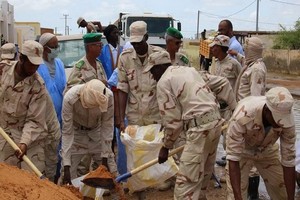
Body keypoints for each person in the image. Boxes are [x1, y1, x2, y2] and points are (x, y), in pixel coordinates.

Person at [144, 50, 226, 200]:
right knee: (201, 181)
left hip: (200, 130)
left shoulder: (163, 81)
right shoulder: (189, 70)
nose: (152, 76)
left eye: (152, 71)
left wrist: (166, 147)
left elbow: (173, 123)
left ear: (158, 67)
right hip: (215, 124)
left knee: (185, 187)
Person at [117, 20, 164, 199]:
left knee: (153, 151)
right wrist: (121, 119)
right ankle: (138, 187)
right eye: (133, 42)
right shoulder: (125, 57)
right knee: (134, 151)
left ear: (146, 37)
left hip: (155, 113)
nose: (136, 46)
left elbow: (167, 88)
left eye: (139, 41)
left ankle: (153, 181)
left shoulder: (159, 55)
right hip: (135, 114)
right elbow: (122, 88)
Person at [226, 87, 296, 200]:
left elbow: (289, 162)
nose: (281, 124)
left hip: (267, 149)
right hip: (242, 150)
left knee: (282, 191)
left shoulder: (287, 119)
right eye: (278, 119)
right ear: (267, 111)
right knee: (236, 195)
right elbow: (233, 159)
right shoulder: (242, 116)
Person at [61, 79, 118, 195]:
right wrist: (66, 164)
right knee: (66, 177)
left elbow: (107, 126)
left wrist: (105, 158)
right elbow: (67, 133)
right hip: (76, 133)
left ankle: (117, 196)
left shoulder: (109, 97)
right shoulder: (69, 98)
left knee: (112, 172)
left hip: (97, 131)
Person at [0, 40, 48, 173]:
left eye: (37, 66)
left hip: (29, 140)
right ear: (21, 58)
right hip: (4, 135)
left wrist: (24, 142)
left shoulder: (38, 85)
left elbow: (35, 120)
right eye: (31, 65)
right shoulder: (2, 70)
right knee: (8, 180)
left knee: (32, 180)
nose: (34, 69)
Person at [38, 32, 67, 183]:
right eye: (53, 47)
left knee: (60, 150)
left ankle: (57, 178)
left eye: (57, 46)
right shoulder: (37, 66)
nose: (56, 49)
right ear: (44, 48)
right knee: (47, 151)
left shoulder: (59, 64)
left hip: (61, 116)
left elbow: (64, 87)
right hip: (44, 117)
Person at [209, 34, 241, 167]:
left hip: (229, 108)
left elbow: (240, 83)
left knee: (228, 140)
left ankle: (230, 170)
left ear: (221, 47)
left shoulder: (234, 64)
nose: (211, 49)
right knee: (213, 138)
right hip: (216, 107)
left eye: (214, 47)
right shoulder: (214, 64)